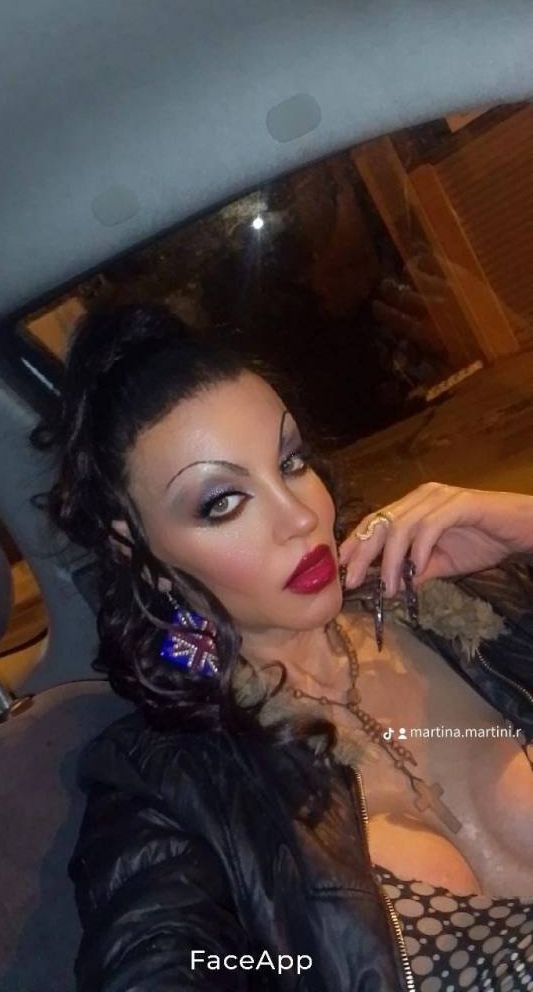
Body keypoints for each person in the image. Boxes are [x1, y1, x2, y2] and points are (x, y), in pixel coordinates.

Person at [29, 303, 533, 992]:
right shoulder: (173, 783)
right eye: (222, 502)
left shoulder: (463, 607)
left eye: (290, 462)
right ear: (136, 548)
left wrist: (525, 527)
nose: (301, 516)